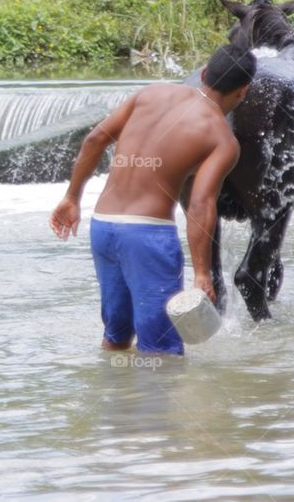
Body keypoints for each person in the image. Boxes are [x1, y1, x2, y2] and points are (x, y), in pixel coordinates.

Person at [49, 44, 256, 355]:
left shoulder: (150, 94)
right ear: (243, 92)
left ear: (203, 74)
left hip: (103, 227)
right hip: (146, 237)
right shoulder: (222, 139)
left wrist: (71, 197)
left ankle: (115, 401)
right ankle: (154, 403)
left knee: (116, 338)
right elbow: (200, 205)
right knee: (161, 352)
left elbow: (95, 139)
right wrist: (202, 272)